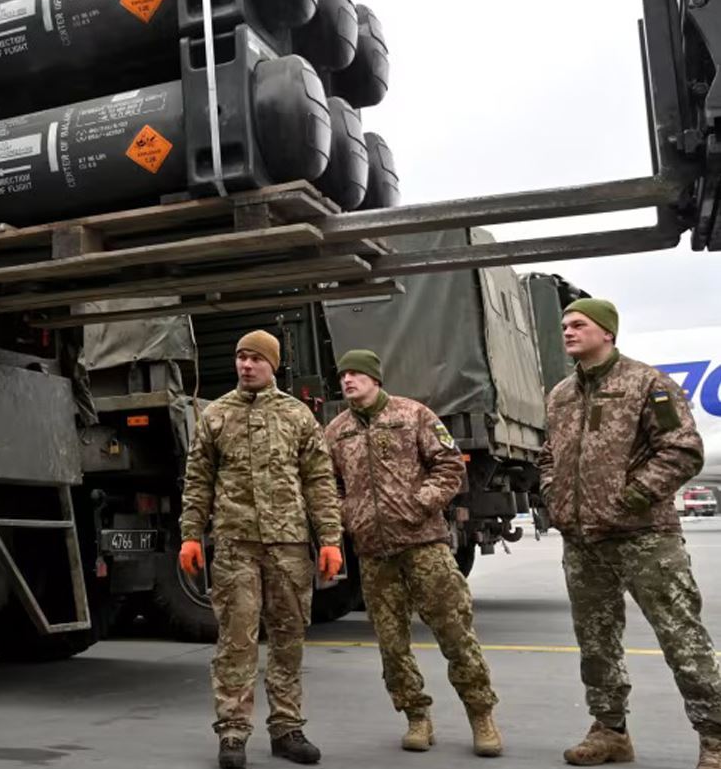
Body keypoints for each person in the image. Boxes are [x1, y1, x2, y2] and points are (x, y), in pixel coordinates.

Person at [536, 298, 721, 768]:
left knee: (681, 635)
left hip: (644, 536)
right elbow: (548, 456)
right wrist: (555, 497)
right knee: (596, 640)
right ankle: (609, 731)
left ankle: (715, 736)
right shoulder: (559, 395)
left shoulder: (646, 384)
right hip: (584, 540)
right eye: (564, 325)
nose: (568, 332)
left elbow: (682, 450)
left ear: (608, 333)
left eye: (579, 324)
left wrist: (631, 498)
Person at [323, 349, 502, 757]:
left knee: (454, 632)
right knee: (392, 644)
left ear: (375, 379)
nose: (348, 380)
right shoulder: (335, 431)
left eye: (356, 374)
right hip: (373, 552)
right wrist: (347, 514)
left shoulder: (413, 415)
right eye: (343, 375)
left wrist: (422, 502)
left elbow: (450, 464)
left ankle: (481, 714)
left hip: (424, 546)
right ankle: (416, 717)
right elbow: (325, 484)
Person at [178, 330, 343, 768]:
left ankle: (287, 729)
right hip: (235, 545)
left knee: (288, 639)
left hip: (288, 546)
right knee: (236, 641)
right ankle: (232, 733)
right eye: (240, 358)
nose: (245, 365)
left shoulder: (297, 416)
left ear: (272, 365)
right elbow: (197, 482)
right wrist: (190, 534)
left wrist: (330, 540)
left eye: (255, 359)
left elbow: (320, 481)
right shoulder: (215, 416)